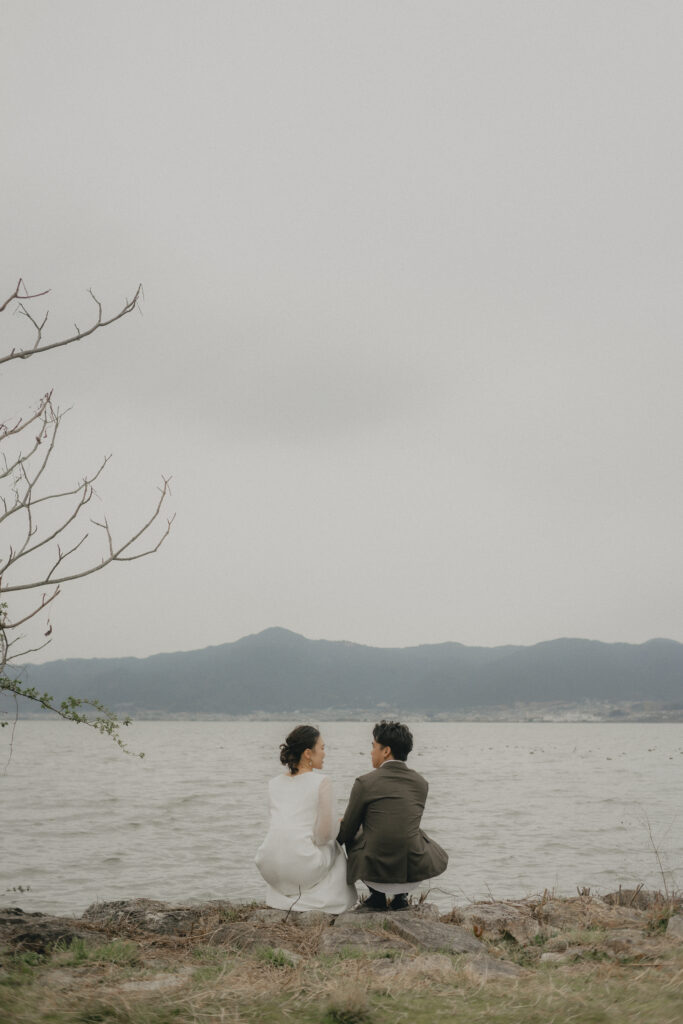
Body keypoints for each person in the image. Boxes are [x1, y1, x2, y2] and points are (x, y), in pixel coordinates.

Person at [337, 720, 448, 911]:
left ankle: (377, 896)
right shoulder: (421, 783)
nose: (371, 751)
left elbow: (347, 831)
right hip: (411, 871)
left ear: (386, 751)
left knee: (357, 831)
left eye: (373, 746)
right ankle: (400, 898)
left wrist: (330, 840)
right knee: (411, 830)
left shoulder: (365, 782)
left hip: (374, 873)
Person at [255, 725, 357, 913]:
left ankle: (285, 897)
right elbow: (324, 835)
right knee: (334, 846)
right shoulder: (321, 782)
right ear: (308, 753)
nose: (325, 754)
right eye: (322, 748)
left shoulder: (273, 783)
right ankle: (328, 901)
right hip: (301, 866)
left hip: (268, 864)